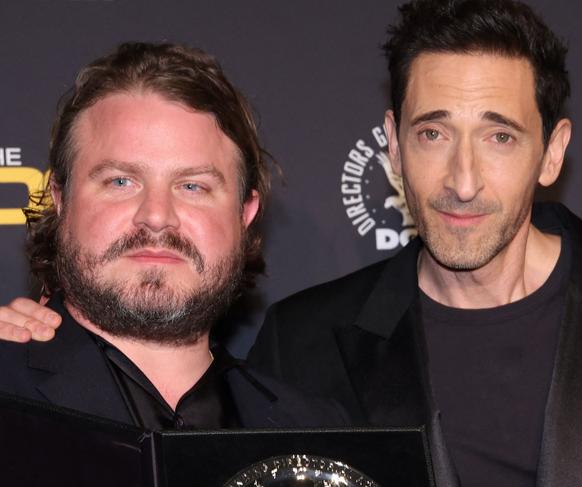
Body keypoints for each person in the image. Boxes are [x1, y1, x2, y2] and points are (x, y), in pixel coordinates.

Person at [3, 1, 582, 486]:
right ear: (393, 145)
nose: (463, 177)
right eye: (119, 180)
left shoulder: (297, 409)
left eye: (195, 185)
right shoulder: (309, 339)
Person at [0, 42, 345, 431]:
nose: (157, 217)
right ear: (60, 200)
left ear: (244, 214)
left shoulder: (314, 431)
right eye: (121, 181)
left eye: (193, 186)